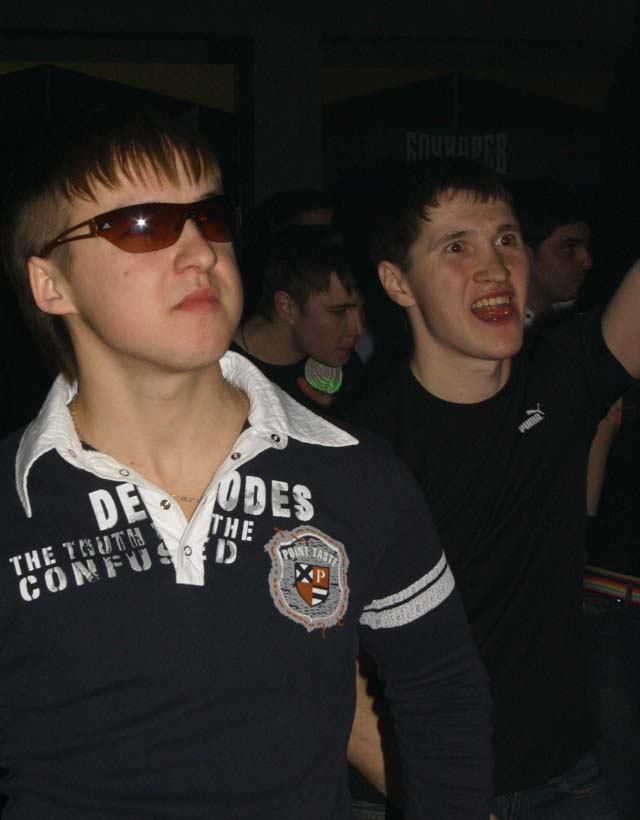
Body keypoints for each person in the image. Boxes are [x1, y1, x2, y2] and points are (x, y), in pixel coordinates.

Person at [0, 112, 492, 819]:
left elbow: (440, 691)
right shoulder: (13, 504)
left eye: (209, 217)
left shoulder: (355, 473)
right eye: (141, 225)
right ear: (51, 284)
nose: (200, 252)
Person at [354, 158, 639, 818]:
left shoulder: (560, 379)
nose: (494, 266)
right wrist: (443, 798)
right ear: (398, 282)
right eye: (457, 246)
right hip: (412, 789)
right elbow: (330, 663)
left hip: (563, 777)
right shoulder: (358, 450)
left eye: (506, 239)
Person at [233, 224, 366, 415]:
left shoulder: (343, 363)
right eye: (339, 311)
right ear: (287, 307)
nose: (359, 329)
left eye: (362, 309)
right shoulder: (221, 371)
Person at [511, 180, 593, 324]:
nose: (588, 262)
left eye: (587, 247)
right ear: (524, 255)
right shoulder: (493, 329)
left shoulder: (579, 322)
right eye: (569, 248)